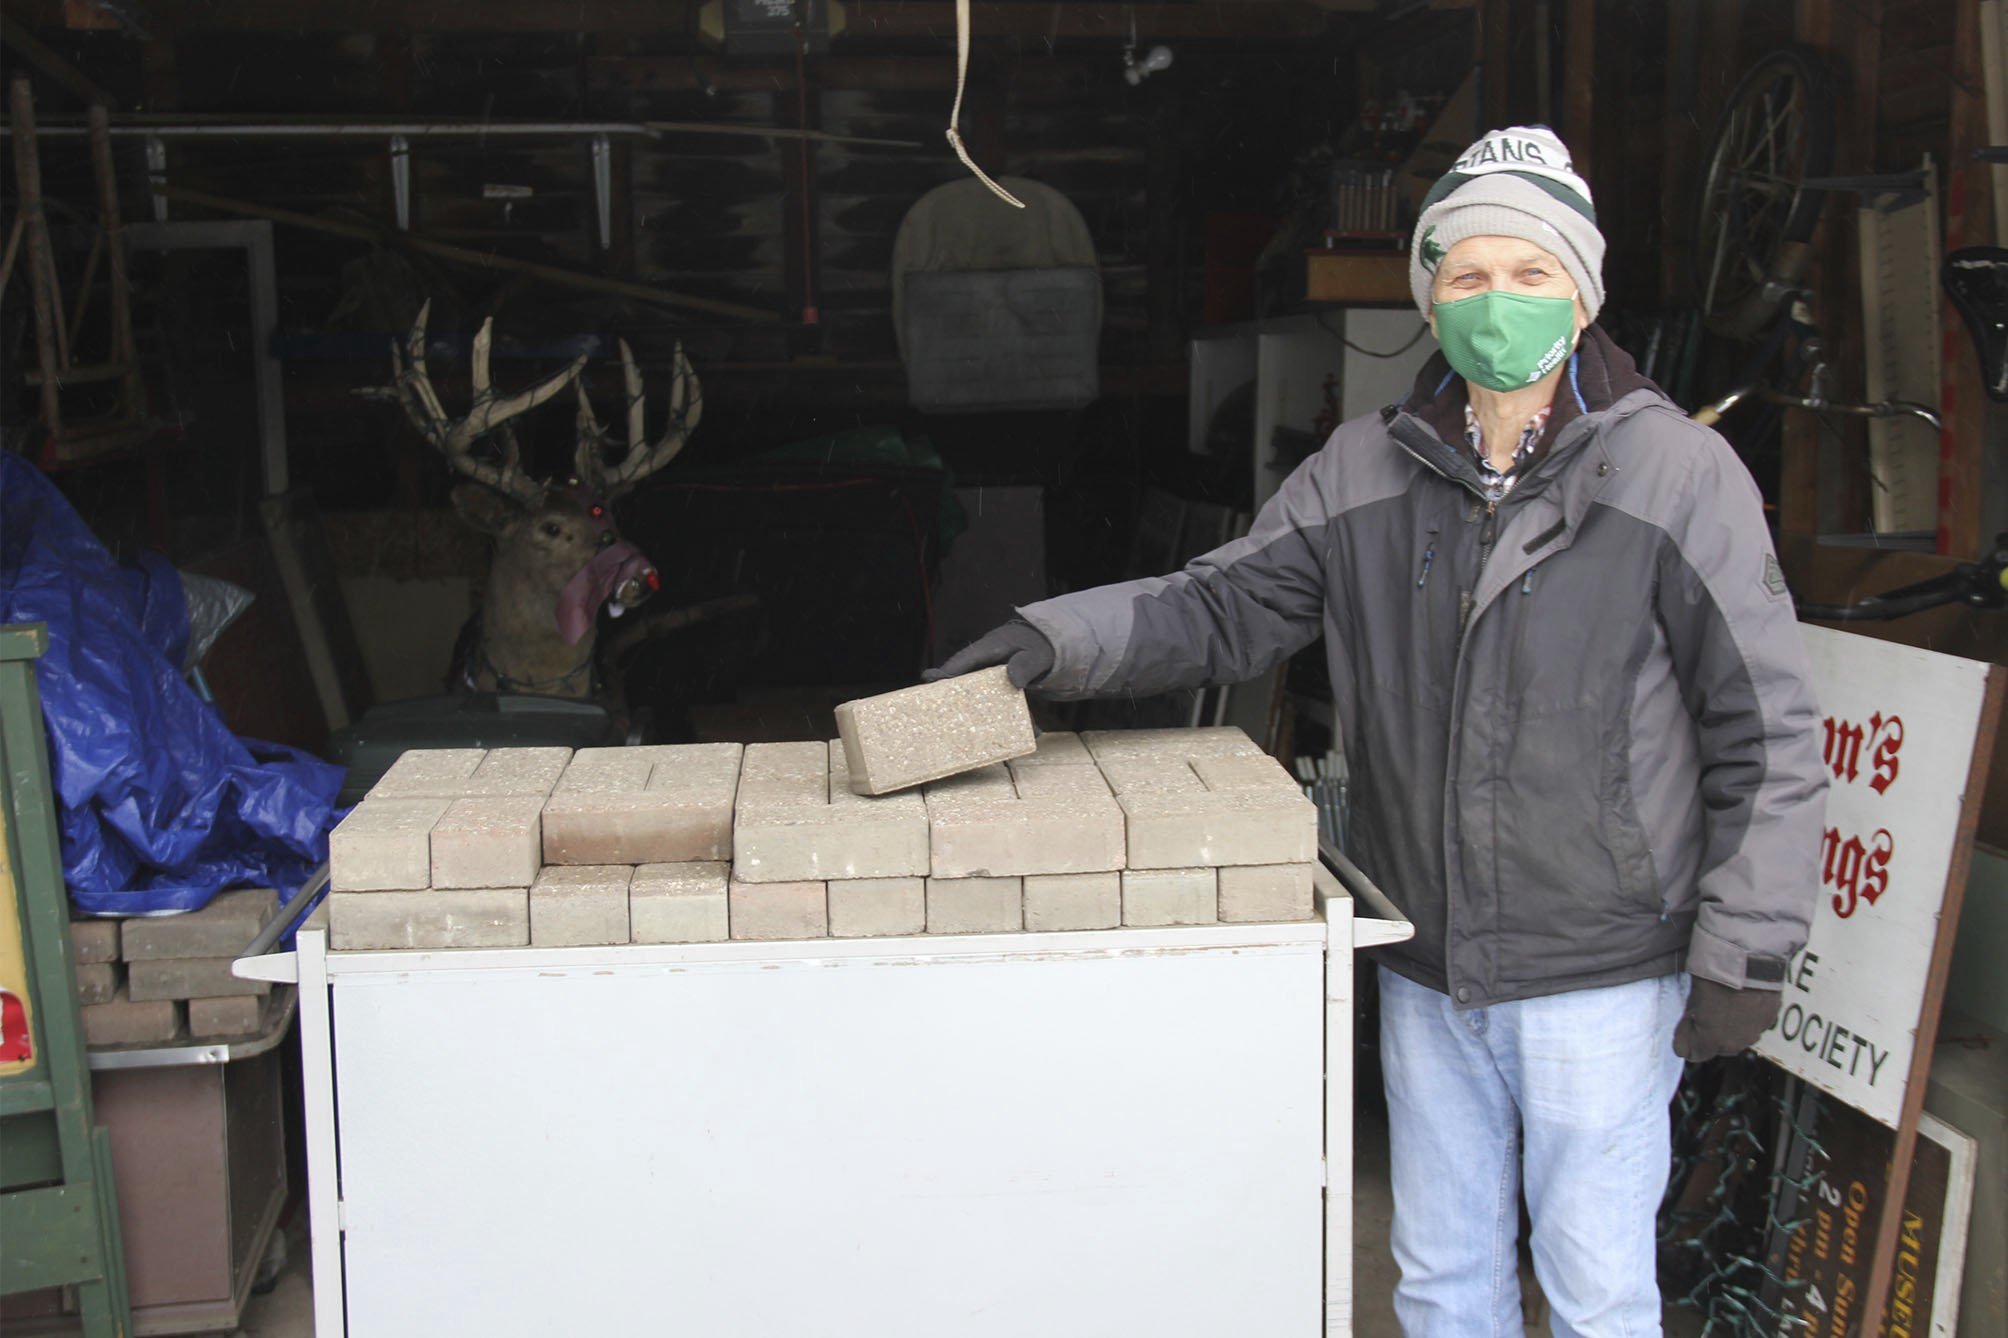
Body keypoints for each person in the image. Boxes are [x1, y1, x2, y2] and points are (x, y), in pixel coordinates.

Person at [926, 125, 1828, 1337]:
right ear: (1428, 296)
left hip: (1602, 972)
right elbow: (1219, 603)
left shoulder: (1676, 472)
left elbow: (1762, 725)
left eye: (1529, 272)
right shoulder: (1365, 469)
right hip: (1423, 960)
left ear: (1580, 289)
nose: (1496, 302)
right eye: (1465, 275)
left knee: (1598, 1290)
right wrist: (1050, 640)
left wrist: (1747, 947)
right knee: (1441, 1285)